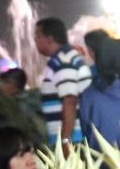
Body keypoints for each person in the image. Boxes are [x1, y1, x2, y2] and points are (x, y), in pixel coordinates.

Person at [34, 17, 92, 145]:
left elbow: (70, 100)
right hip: (74, 137)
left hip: (74, 139)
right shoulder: (64, 57)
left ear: (50, 39)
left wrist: (65, 140)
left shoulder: (63, 60)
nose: (35, 40)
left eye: (38, 36)